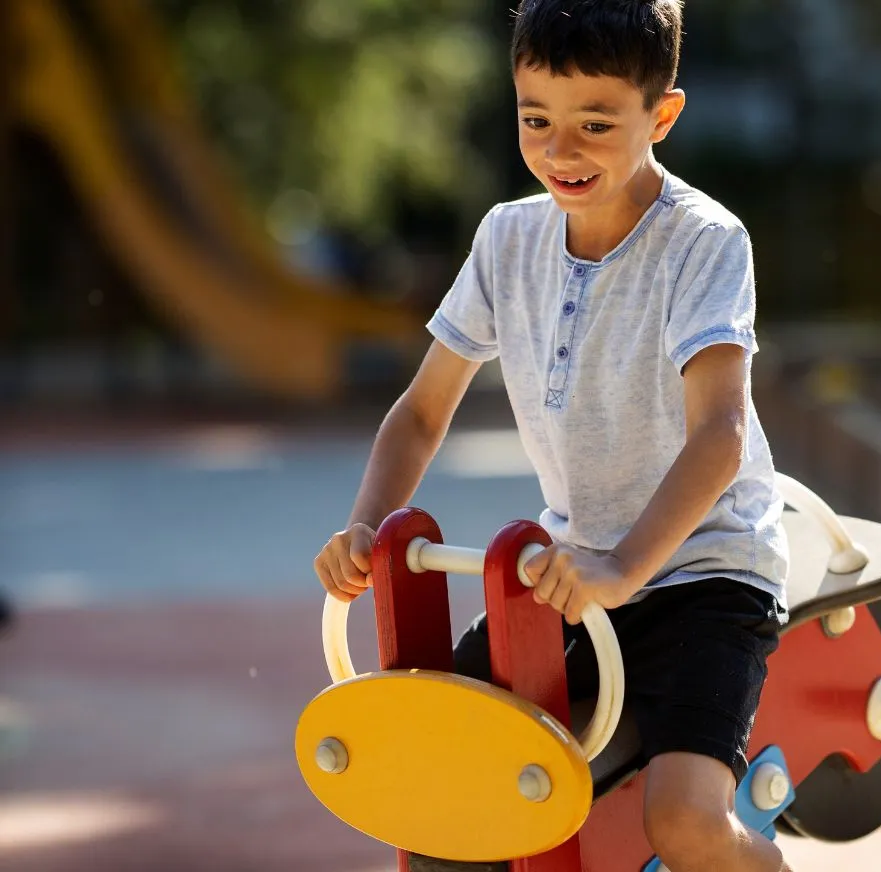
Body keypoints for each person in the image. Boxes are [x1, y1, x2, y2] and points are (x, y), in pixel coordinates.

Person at [314, 2, 792, 869]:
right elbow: (423, 411)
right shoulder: (508, 239)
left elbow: (718, 437)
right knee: (447, 768)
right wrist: (367, 525)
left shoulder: (704, 241)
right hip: (575, 570)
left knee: (683, 823)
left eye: (596, 124)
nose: (561, 151)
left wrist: (625, 568)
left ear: (663, 116)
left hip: (704, 574)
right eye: (537, 119)